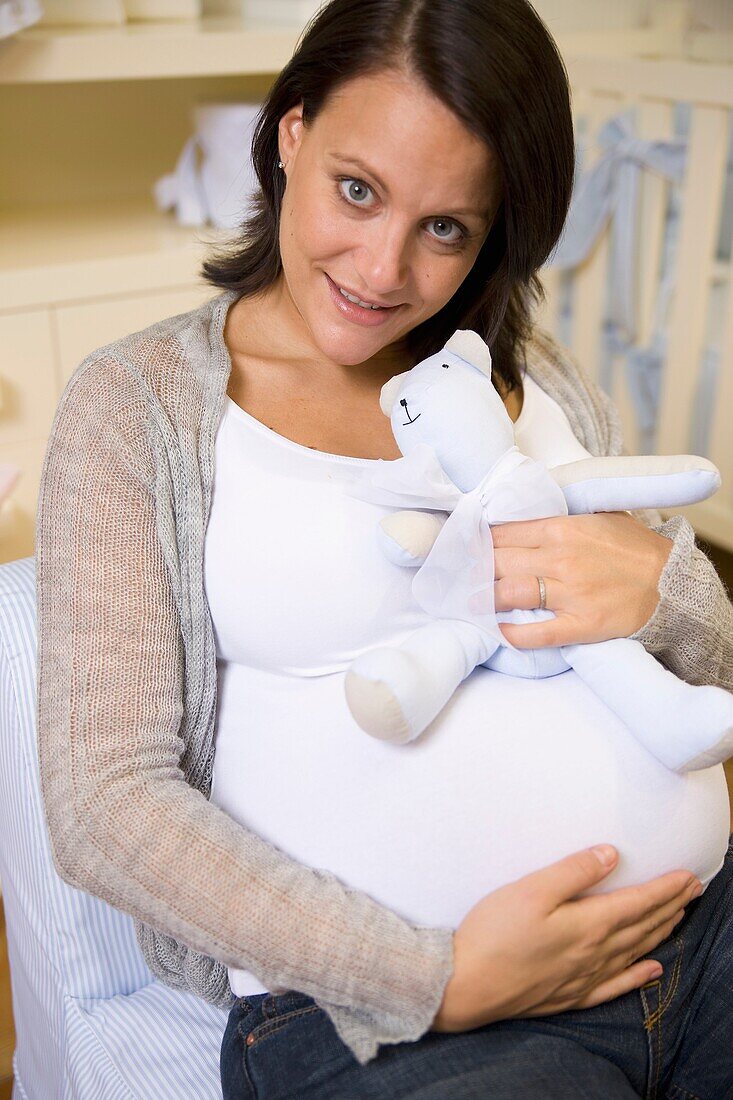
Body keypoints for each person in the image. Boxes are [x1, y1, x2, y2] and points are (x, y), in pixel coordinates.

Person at [35, 0, 733, 1096]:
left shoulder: (537, 379)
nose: (382, 266)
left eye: (445, 226)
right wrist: (434, 975)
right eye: (357, 191)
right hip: (407, 1023)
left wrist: (669, 589)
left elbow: (703, 671)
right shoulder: (139, 406)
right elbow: (104, 801)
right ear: (291, 135)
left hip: (704, 932)